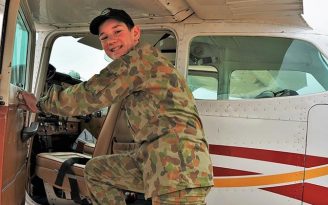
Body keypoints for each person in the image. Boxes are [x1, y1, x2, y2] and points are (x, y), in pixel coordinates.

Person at [20, 8, 213, 205]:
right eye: (104, 37)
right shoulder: (143, 63)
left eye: (117, 31)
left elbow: (90, 94)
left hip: (177, 167)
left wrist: (41, 104)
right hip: (155, 161)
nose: (110, 40)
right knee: (97, 171)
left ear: (135, 33)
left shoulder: (138, 62)